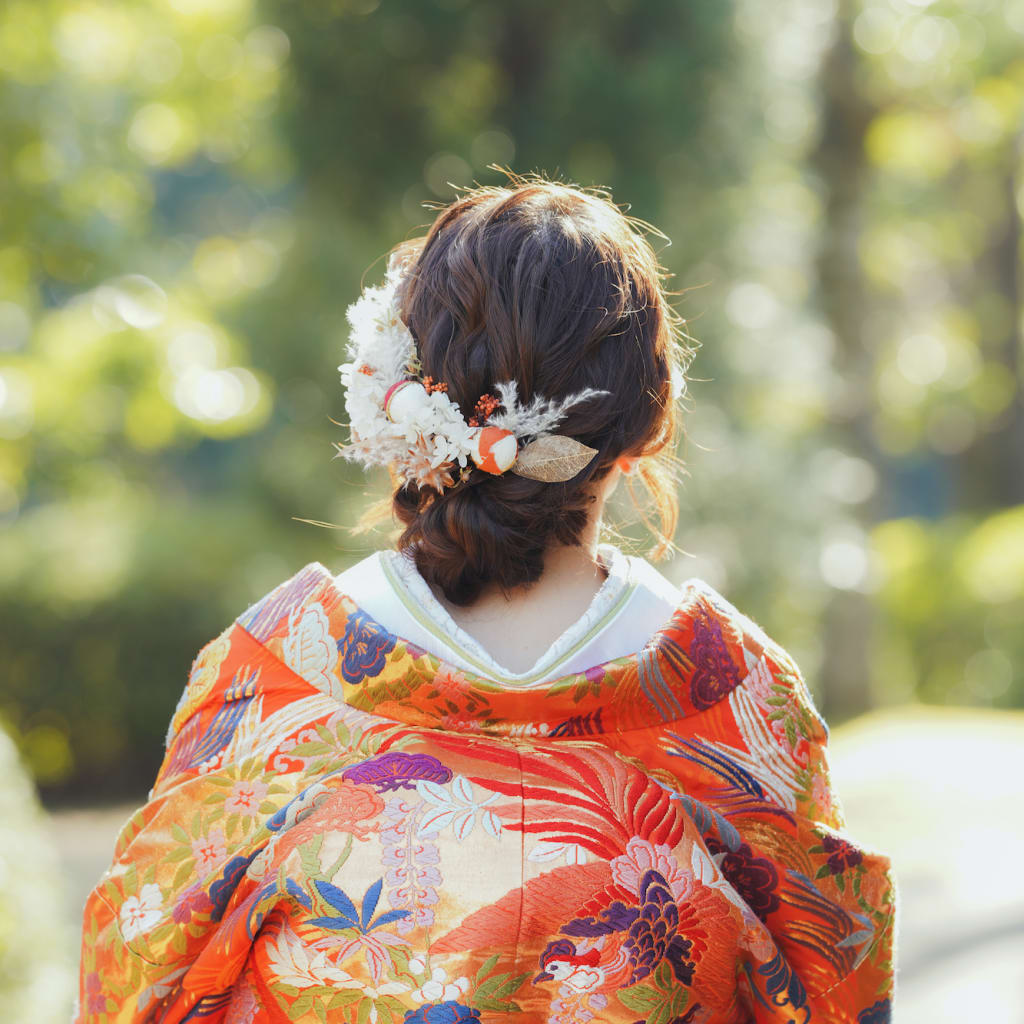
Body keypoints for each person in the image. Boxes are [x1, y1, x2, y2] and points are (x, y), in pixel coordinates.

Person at [77, 175, 895, 1024]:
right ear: (648, 425)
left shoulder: (279, 677)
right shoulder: (734, 696)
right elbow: (839, 980)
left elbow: (141, 973)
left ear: (399, 391)